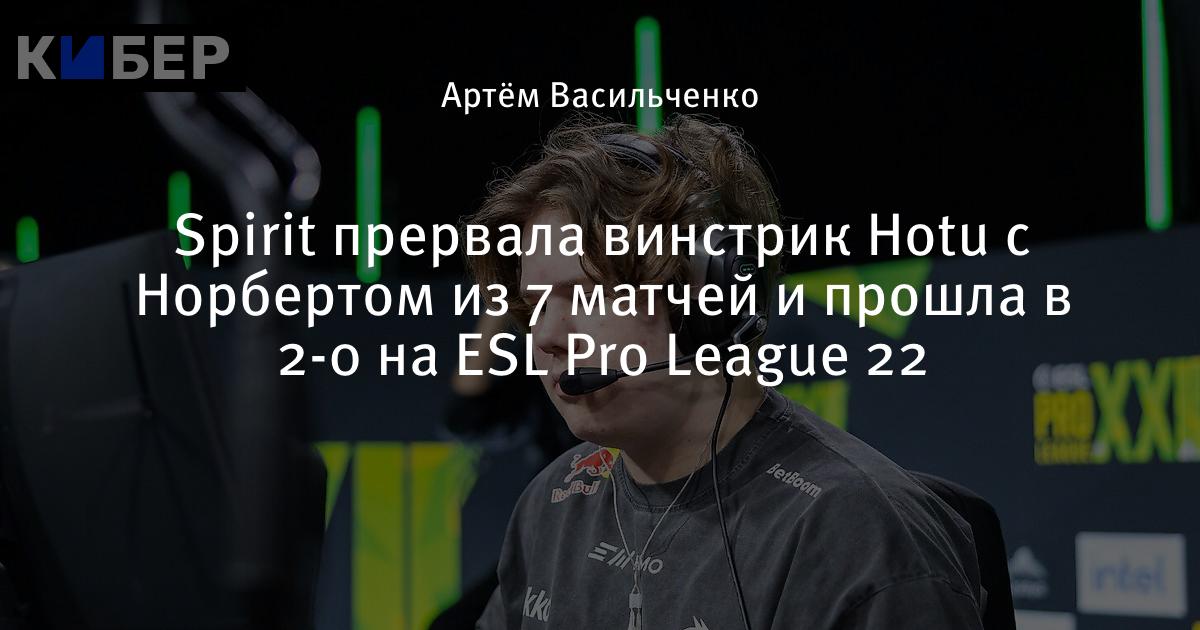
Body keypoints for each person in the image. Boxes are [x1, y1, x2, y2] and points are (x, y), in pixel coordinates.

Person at [466, 114, 984, 629]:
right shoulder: (554, 502)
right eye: (535, 305)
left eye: (587, 295)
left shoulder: (860, 541)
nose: (546, 336)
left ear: (710, 301)